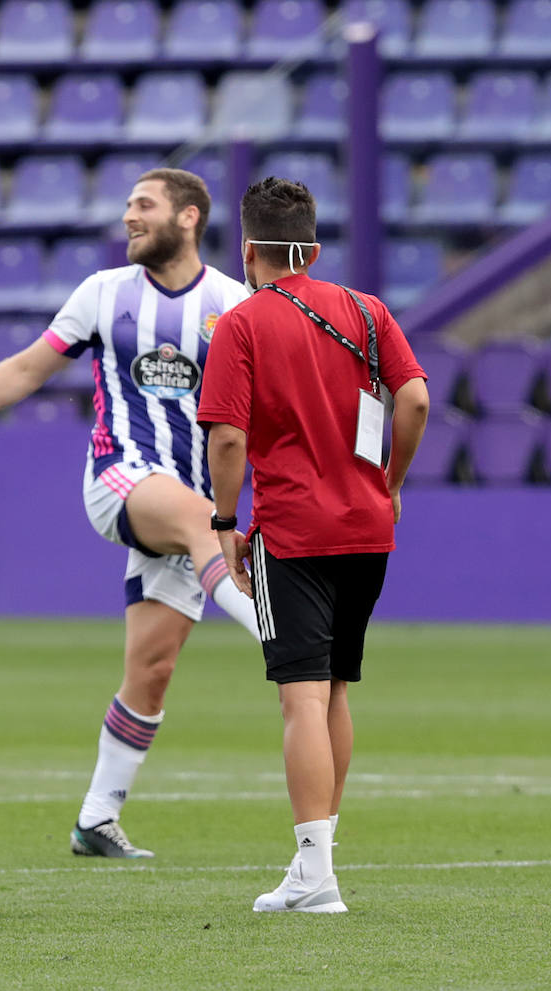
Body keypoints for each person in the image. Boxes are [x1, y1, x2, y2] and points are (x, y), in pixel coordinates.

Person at [0, 168, 261, 860]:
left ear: (188, 218)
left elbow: (260, 412)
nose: (129, 216)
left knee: (151, 669)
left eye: (143, 205)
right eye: (127, 205)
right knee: (193, 516)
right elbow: (28, 369)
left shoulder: (233, 305)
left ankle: (96, 819)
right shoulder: (103, 294)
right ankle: (272, 630)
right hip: (119, 477)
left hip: (194, 506)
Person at [197, 177, 428, 913]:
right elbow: (415, 396)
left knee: (300, 695)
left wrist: (224, 523)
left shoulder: (240, 323)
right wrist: (392, 478)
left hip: (292, 531)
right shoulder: (367, 309)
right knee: (334, 690)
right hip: (368, 529)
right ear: (314, 246)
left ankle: (315, 872)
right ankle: (318, 862)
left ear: (247, 249)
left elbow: (228, 435)